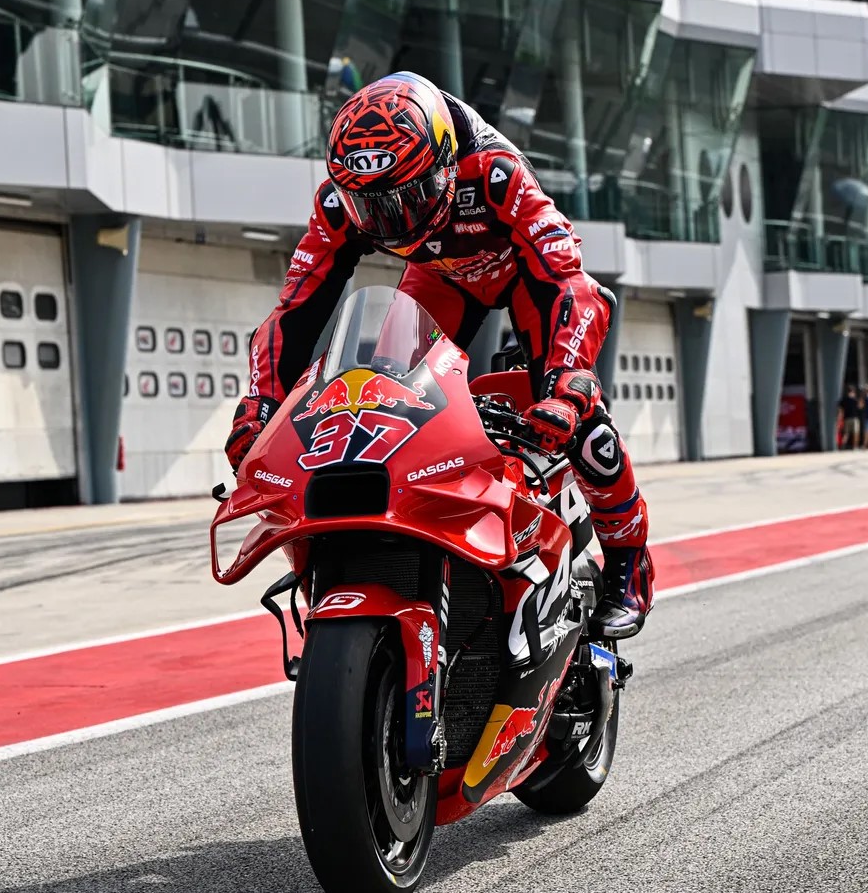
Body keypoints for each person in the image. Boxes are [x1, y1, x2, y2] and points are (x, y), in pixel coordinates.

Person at [225, 72, 653, 638]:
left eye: (407, 197)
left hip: (520, 273)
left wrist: (569, 379)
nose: (391, 220)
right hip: (440, 280)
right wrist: (260, 402)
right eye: (370, 207)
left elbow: (566, 280)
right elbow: (295, 309)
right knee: (386, 395)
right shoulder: (338, 199)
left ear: (446, 165)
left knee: (581, 419)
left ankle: (629, 563)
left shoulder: (496, 173)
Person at [837, 385, 861, 451]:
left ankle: (842, 446)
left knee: (846, 433)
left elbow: (841, 410)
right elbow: (860, 406)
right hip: (854, 418)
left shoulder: (843, 400)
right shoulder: (855, 399)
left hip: (847, 418)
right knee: (855, 433)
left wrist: (839, 419)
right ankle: (855, 447)